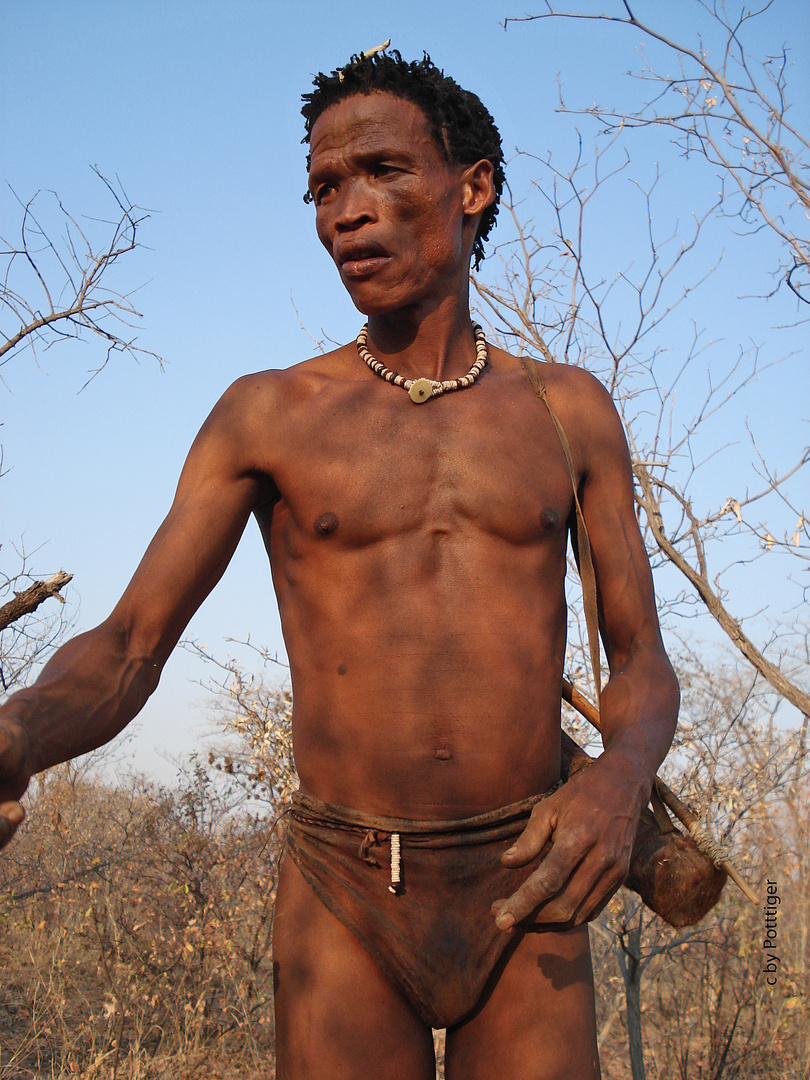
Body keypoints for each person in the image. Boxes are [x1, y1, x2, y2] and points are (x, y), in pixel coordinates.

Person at [0, 51, 679, 1079]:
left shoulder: (567, 409)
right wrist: (16, 733)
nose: (347, 211)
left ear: (473, 186)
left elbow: (640, 658)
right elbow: (131, 644)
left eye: (382, 171)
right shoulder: (268, 414)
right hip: (344, 883)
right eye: (324, 187)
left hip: (529, 868)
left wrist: (621, 780)